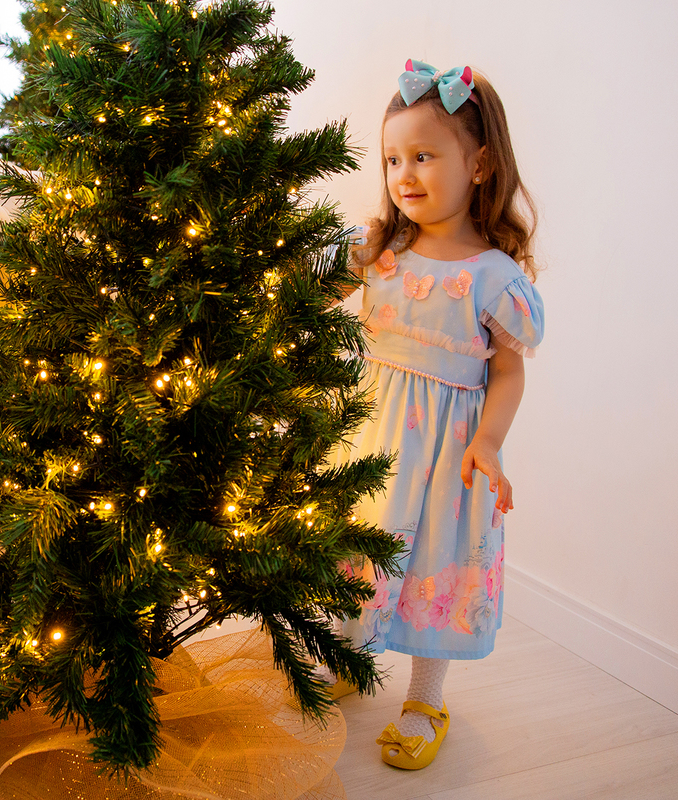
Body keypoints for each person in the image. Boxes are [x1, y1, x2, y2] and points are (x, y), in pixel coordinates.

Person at [337, 60, 545, 770]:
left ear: (479, 163)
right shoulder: (383, 253)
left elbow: (508, 372)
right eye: (394, 158)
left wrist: (489, 441)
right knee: (353, 551)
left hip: (446, 457)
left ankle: (426, 696)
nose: (405, 173)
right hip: (372, 439)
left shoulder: (493, 276)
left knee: (432, 565)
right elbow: (311, 288)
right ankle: (347, 655)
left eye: (424, 156)